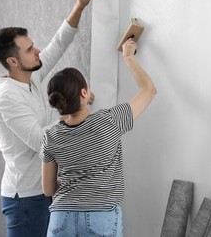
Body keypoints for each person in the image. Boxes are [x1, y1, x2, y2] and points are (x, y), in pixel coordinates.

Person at [0, 0, 97, 237]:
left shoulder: (30, 78)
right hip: (25, 199)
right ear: (12, 62)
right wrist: (75, 111)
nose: (37, 51)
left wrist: (79, 6)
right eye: (29, 50)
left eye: (33, 45)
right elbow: (42, 142)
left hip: (44, 190)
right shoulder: (6, 98)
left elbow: (59, 42)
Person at [40, 38, 157, 237]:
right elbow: (149, 90)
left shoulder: (50, 136)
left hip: (61, 220)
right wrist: (128, 57)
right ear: (84, 92)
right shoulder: (109, 121)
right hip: (100, 219)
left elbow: (48, 189)